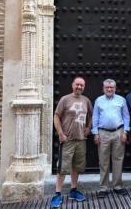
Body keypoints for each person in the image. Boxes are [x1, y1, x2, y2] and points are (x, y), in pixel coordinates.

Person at [51, 77, 92, 208]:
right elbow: (56, 116)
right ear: (72, 85)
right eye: (77, 84)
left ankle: (73, 190)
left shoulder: (86, 101)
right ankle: (57, 194)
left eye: (82, 85)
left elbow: (90, 115)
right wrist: (60, 133)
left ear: (84, 87)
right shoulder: (65, 99)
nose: (79, 87)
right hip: (67, 139)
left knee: (76, 166)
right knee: (62, 168)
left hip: (81, 140)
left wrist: (88, 127)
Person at [92, 79, 130, 198]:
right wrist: (95, 133)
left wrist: (125, 131)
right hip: (103, 133)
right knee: (103, 161)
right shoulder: (99, 100)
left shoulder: (121, 100)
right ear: (103, 88)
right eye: (107, 87)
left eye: (111, 87)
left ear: (115, 88)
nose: (109, 89)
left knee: (118, 160)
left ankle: (117, 186)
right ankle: (103, 188)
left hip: (118, 132)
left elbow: (126, 116)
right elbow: (95, 117)